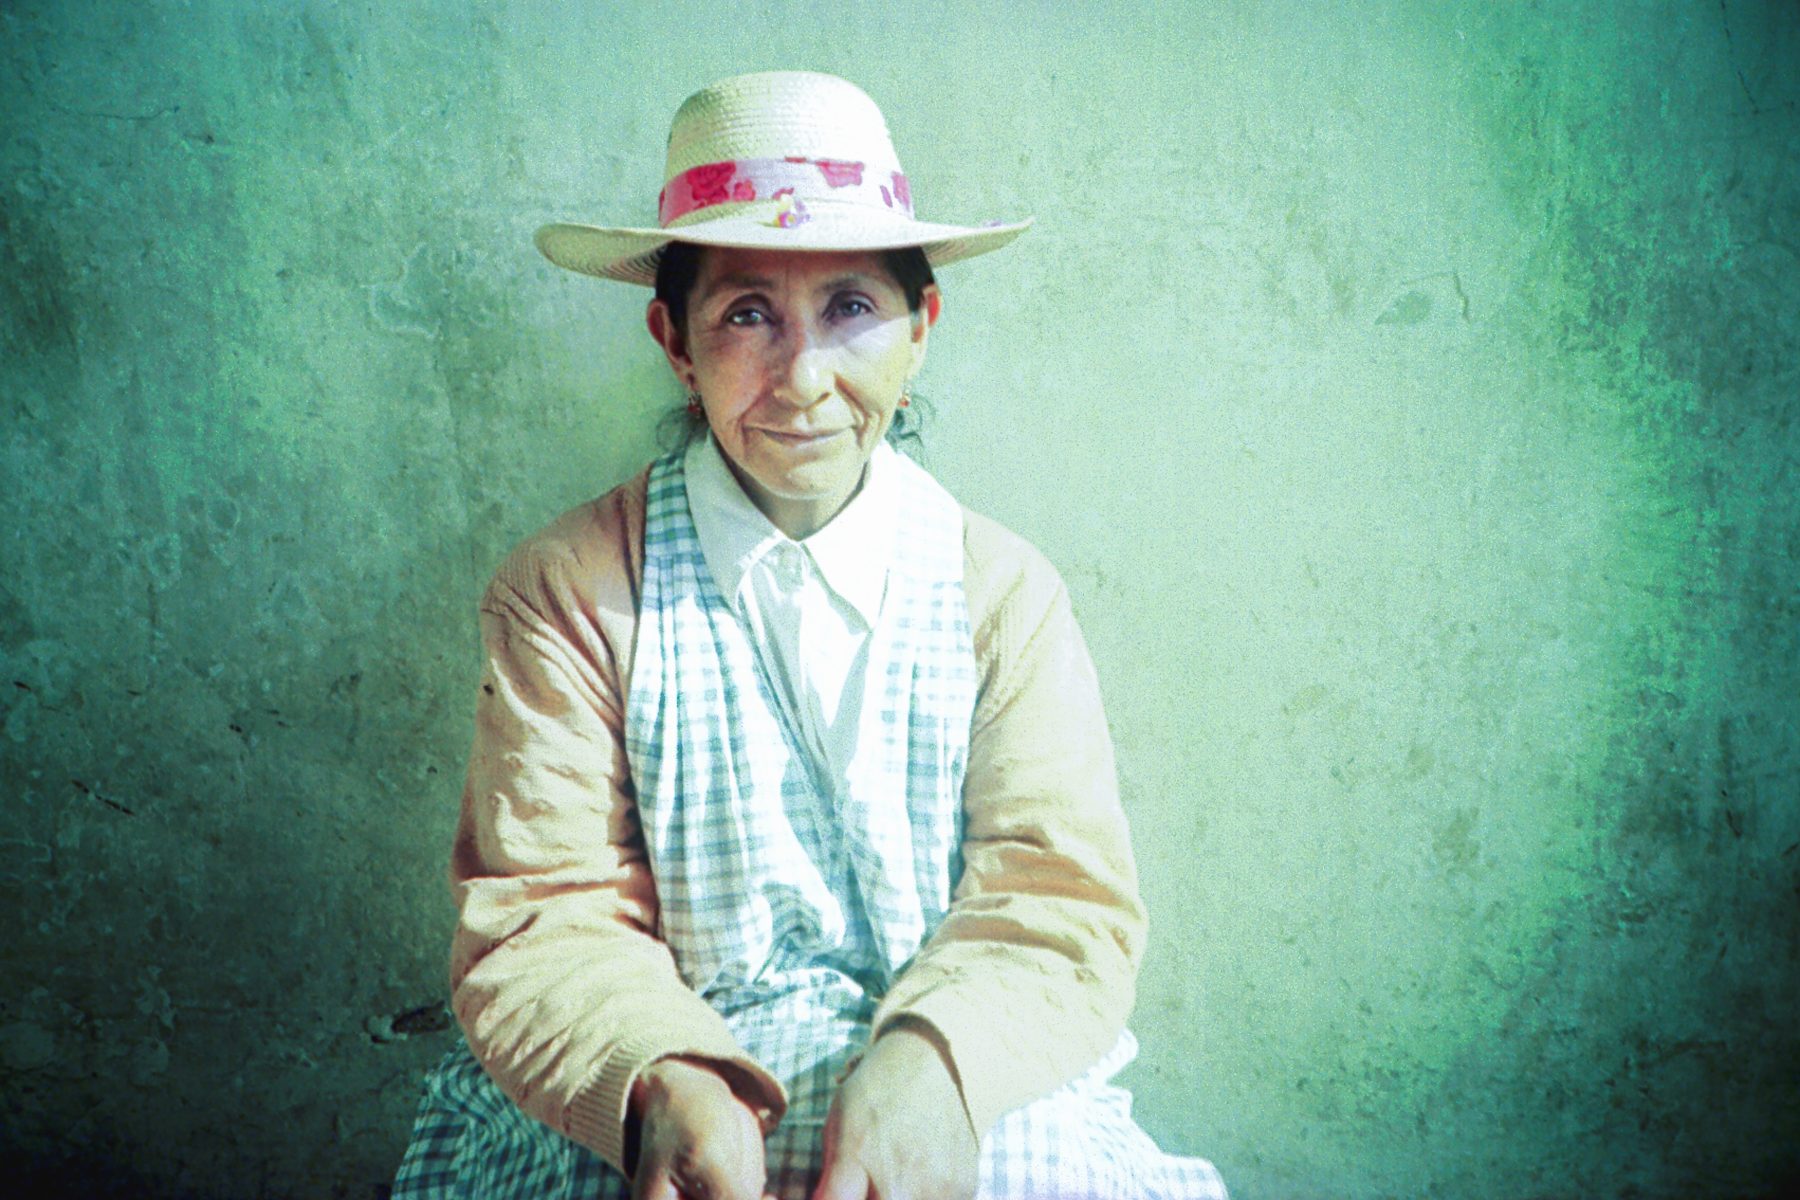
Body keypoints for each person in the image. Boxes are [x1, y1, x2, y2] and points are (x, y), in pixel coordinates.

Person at [392, 70, 1227, 1200]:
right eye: (746, 315)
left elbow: (1054, 900)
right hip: (655, 1064)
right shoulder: (570, 592)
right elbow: (545, 912)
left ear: (921, 328)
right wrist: (666, 1079)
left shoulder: (1003, 594)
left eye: (851, 309)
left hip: (947, 1048)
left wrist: (933, 1066)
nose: (804, 380)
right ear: (673, 341)